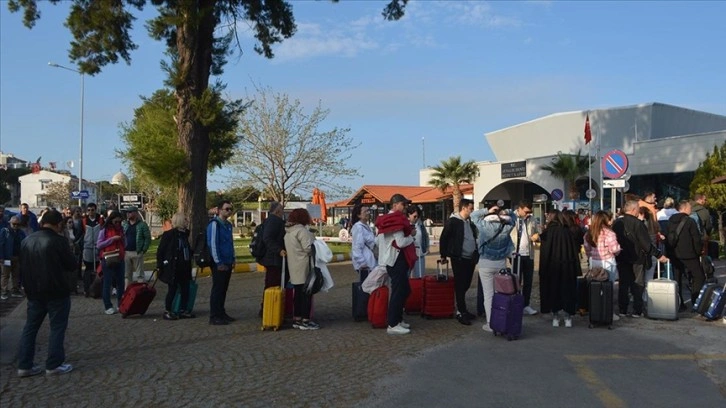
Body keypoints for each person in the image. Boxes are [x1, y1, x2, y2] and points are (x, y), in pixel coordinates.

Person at [16, 209, 77, 377]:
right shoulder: (58, 241)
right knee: (57, 327)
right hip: (56, 289)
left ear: (42, 223)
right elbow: (72, 265)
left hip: (33, 291)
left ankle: (24, 364)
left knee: (31, 327)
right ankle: (54, 364)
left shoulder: (27, 240)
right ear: (59, 225)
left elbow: (22, 266)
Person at [612, 200, 667, 318]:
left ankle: (623, 309)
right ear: (633, 210)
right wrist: (659, 255)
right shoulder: (638, 224)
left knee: (623, 284)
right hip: (637, 258)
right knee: (638, 284)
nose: (638, 211)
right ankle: (637, 310)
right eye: (637, 208)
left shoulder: (617, 223)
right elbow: (646, 244)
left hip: (621, 257)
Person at [375, 194, 416, 335]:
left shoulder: (389, 220)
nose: (405, 208)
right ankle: (393, 323)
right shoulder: (395, 221)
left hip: (392, 259)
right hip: (395, 260)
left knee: (404, 290)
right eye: (403, 205)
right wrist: (411, 237)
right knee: (399, 292)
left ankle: (397, 319)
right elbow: (400, 242)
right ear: (395, 205)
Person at [471, 204, 514, 332]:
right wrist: (506, 211)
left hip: (485, 263)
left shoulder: (484, 226)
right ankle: (501, 319)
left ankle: (491, 323)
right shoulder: (507, 227)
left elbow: (473, 216)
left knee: (488, 295)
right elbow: (514, 217)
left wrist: (487, 210)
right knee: (499, 294)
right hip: (500, 263)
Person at [439, 198, 479, 326]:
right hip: (459, 258)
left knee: (466, 284)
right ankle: (461, 311)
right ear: (464, 208)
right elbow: (444, 237)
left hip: (470, 258)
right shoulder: (453, 222)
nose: (471, 211)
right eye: (470, 208)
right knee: (460, 285)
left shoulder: (469, 222)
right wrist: (443, 254)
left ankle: (463, 309)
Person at [538, 210, 580, 328]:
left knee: (554, 291)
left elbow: (545, 252)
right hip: (568, 266)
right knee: (568, 291)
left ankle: (555, 317)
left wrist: (543, 269)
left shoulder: (548, 232)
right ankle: (568, 317)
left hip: (552, 267)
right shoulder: (568, 231)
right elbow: (574, 251)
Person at [665, 200, 705, 311]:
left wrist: (669, 253)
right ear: (684, 208)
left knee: (677, 278)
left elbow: (667, 237)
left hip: (675, 254)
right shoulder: (690, 221)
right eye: (689, 207)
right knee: (698, 276)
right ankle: (695, 300)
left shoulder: (670, 220)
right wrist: (698, 252)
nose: (690, 209)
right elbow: (696, 239)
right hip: (689, 254)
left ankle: (679, 302)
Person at [283, 208, 319, 330]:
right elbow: (308, 248)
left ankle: (297, 318)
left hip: (293, 265)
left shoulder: (288, 232)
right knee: (307, 294)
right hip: (304, 265)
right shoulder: (301, 231)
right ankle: (305, 320)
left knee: (297, 294)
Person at [583, 211, 622, 322]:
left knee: (595, 287)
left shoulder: (589, 233)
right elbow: (615, 249)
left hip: (594, 262)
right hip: (608, 262)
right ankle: (609, 312)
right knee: (609, 289)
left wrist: (591, 256)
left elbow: (587, 249)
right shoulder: (609, 233)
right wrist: (618, 250)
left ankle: (595, 310)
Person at [156, 212, 195, 320]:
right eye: (185, 220)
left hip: (184, 266)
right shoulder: (169, 235)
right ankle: (167, 310)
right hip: (173, 266)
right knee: (172, 289)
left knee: (185, 289)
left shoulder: (185, 235)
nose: (187, 222)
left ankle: (183, 309)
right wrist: (161, 264)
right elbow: (161, 251)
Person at [208, 201, 236, 325]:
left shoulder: (228, 225)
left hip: (228, 260)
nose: (229, 211)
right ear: (219, 210)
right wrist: (218, 262)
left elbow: (230, 243)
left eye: (230, 209)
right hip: (219, 262)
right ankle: (214, 315)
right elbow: (213, 244)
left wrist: (233, 258)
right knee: (217, 289)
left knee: (224, 289)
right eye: (226, 209)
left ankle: (221, 312)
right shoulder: (214, 225)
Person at [510, 201, 539, 315]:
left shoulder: (531, 219)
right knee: (516, 281)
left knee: (528, 281)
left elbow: (536, 232)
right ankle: (515, 304)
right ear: (520, 209)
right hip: (516, 254)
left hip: (529, 254)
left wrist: (536, 236)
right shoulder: (511, 217)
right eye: (526, 211)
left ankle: (525, 304)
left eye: (529, 212)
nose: (528, 214)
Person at [258, 201, 287, 316]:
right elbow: (268, 238)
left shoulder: (271, 220)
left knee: (273, 284)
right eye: (281, 209)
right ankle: (267, 309)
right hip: (273, 259)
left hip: (273, 258)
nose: (283, 211)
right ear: (277, 210)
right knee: (272, 284)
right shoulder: (273, 221)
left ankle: (271, 308)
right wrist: (279, 250)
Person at [97, 211, 126, 315]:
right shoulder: (104, 230)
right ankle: (108, 306)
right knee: (107, 283)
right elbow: (99, 244)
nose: (118, 223)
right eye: (116, 221)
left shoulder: (121, 229)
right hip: (108, 258)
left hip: (120, 258)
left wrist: (123, 240)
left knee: (120, 283)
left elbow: (125, 243)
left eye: (120, 221)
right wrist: (112, 239)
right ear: (112, 220)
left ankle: (120, 304)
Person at [122, 207, 151, 287]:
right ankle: (127, 292)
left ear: (135, 213)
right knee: (127, 275)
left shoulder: (142, 225)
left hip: (137, 252)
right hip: (126, 252)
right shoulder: (124, 224)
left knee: (140, 275)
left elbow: (147, 238)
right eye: (127, 212)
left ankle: (141, 292)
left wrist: (143, 250)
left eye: (130, 212)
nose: (128, 214)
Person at [1, 216, 27, 300]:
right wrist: (1, 257)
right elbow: (1, 244)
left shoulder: (21, 232)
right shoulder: (5, 231)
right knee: (5, 275)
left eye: (17, 224)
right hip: (7, 257)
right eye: (14, 224)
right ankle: (4, 291)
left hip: (17, 256)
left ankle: (15, 290)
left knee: (16, 275)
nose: (15, 225)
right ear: (10, 223)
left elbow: (24, 243)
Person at [81, 203, 104, 296]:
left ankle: (98, 288)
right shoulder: (84, 221)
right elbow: (81, 233)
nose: (91, 212)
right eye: (89, 210)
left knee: (99, 268)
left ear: (96, 210)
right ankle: (87, 289)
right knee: (88, 268)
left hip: (98, 246)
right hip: (88, 247)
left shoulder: (100, 220)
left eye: (92, 210)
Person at [350, 203, 377, 280]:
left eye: (368, 211)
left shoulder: (367, 227)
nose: (368, 213)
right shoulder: (358, 228)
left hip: (371, 263)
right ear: (359, 215)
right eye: (365, 211)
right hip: (365, 265)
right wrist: (362, 262)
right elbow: (357, 246)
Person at [406, 205, 429, 278]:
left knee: (420, 277)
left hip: (420, 254)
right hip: (408, 256)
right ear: (409, 215)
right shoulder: (405, 225)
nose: (416, 219)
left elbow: (425, 236)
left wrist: (427, 247)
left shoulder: (420, 224)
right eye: (414, 216)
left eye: (417, 217)